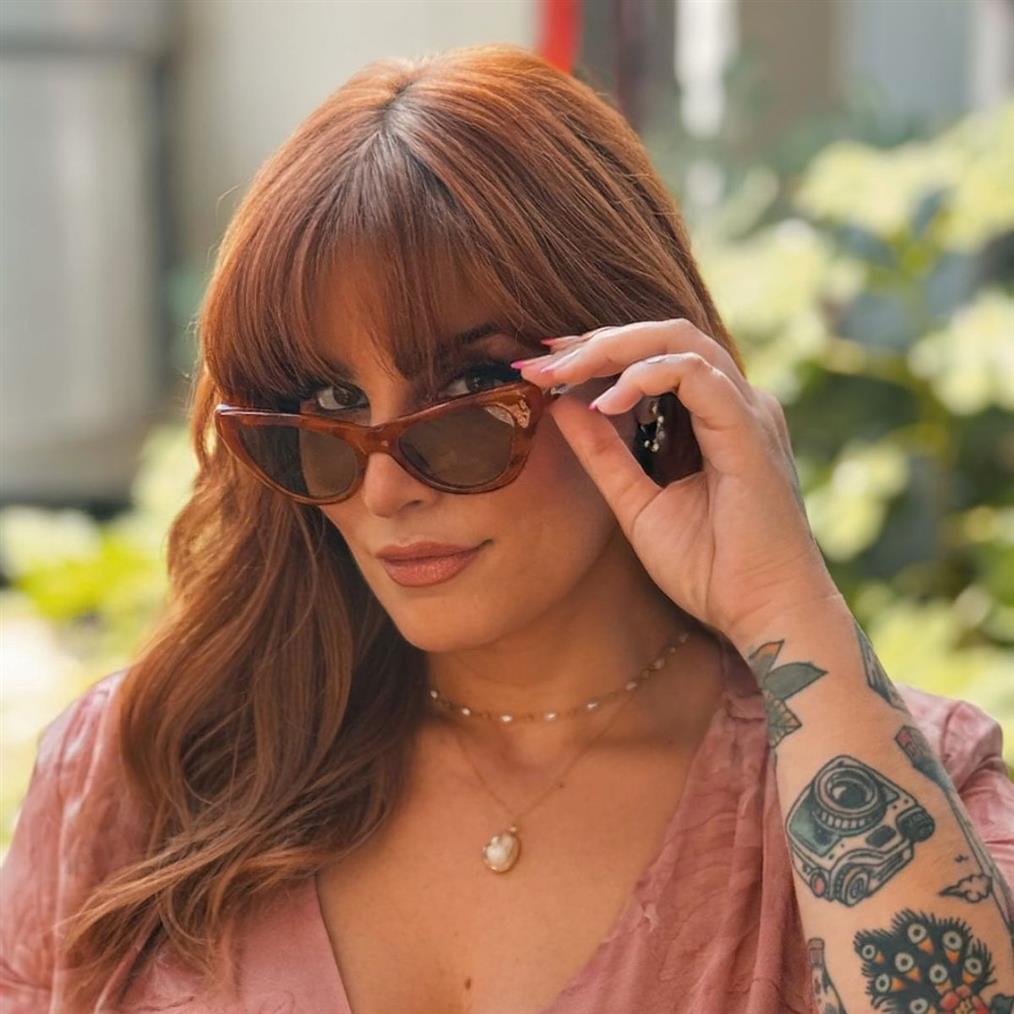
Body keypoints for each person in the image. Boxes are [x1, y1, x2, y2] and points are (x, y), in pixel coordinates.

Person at [2, 42, 1012, 1014]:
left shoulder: (906, 785)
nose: (384, 488)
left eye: (472, 391)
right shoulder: (143, 771)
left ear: (637, 383)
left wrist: (785, 606)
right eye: (328, 405)